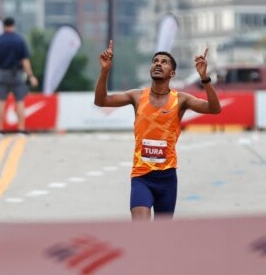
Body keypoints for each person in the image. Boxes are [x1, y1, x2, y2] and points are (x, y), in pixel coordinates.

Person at [94, 40, 222, 221]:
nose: (158, 64)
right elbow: (101, 101)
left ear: (173, 72)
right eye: (155, 61)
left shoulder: (181, 99)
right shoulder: (137, 96)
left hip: (167, 179)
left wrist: (204, 78)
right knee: (141, 231)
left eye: (164, 62)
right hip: (141, 176)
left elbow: (215, 109)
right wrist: (105, 70)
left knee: (162, 237)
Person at [0, 17, 39, 133]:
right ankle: (21, 128)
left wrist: (0, 59)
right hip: (17, 74)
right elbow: (25, 61)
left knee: (1, 101)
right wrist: (31, 76)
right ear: (13, 25)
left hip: (3, 73)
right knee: (20, 101)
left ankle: (0, 129)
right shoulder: (19, 40)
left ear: (3, 26)